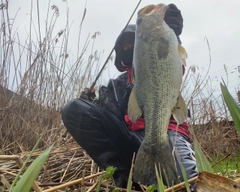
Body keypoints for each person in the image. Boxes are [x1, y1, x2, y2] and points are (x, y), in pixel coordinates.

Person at [61, 4, 198, 191]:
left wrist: (173, 33)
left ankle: (157, 172)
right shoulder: (114, 86)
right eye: (123, 45)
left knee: (188, 186)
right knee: (73, 109)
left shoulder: (160, 50)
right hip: (132, 140)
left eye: (132, 42)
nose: (128, 46)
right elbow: (109, 121)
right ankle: (126, 178)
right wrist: (89, 103)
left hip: (170, 132)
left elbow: (172, 64)